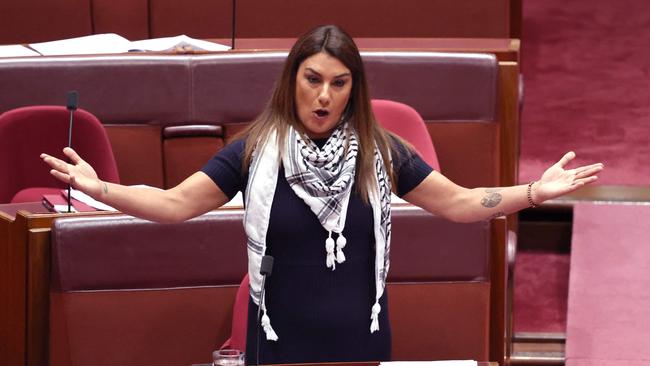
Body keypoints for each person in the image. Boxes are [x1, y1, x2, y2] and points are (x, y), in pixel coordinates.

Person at [41, 25, 603, 364]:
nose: (324, 95)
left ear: (354, 89)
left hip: (360, 340)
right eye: (313, 79)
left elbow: (457, 203)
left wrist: (532, 191)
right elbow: (175, 204)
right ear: (292, 80)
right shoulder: (253, 150)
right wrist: (102, 189)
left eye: (339, 83)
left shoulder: (383, 152)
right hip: (279, 344)